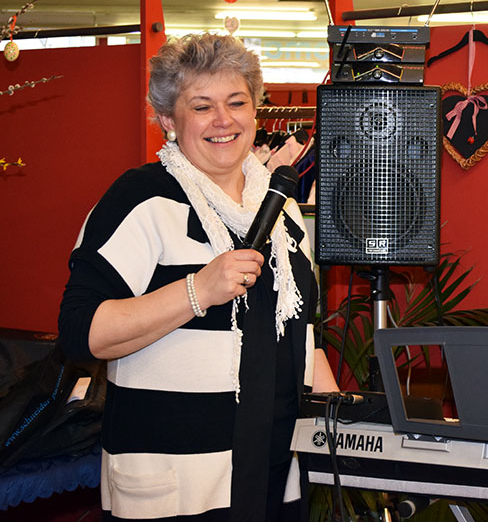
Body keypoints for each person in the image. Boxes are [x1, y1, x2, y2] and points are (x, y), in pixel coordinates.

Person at [58, 33, 338, 521]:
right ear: (168, 119)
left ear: (256, 111)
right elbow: (83, 334)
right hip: (174, 484)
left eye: (237, 102)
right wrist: (197, 291)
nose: (223, 120)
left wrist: (339, 424)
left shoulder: (286, 211)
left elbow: (303, 334)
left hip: (274, 474)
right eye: (202, 106)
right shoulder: (142, 198)